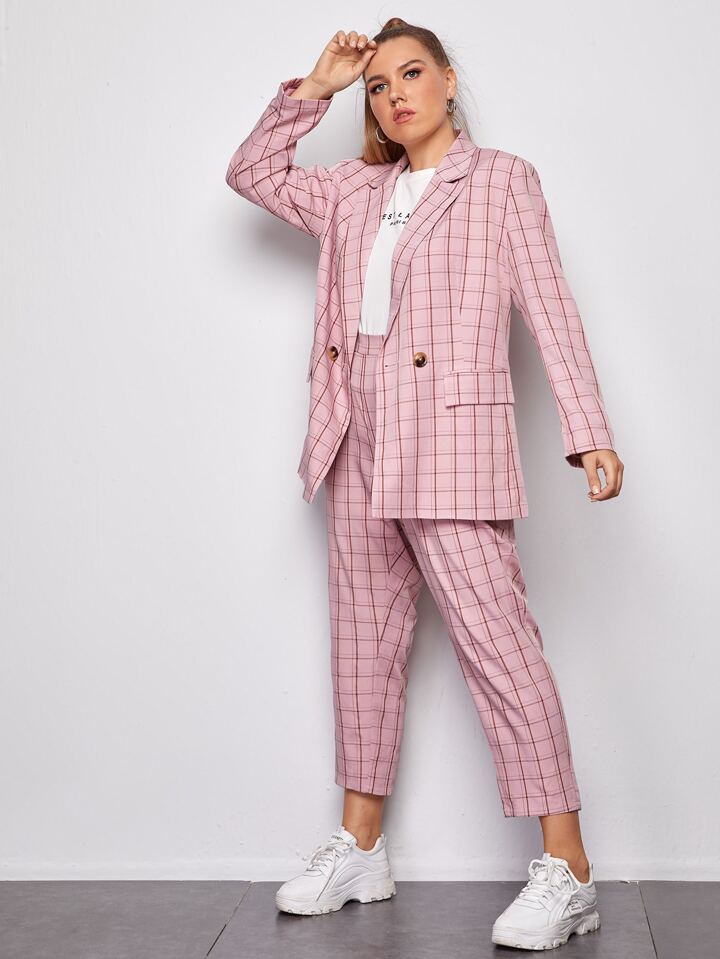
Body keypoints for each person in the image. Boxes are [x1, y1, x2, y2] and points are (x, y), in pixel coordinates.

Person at [225, 17, 623, 951]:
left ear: (448, 81)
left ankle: (569, 868)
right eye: (379, 85)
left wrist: (589, 431)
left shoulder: (502, 181)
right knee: (362, 649)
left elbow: (550, 306)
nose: (395, 94)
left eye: (411, 74)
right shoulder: (352, 190)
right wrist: (317, 87)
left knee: (501, 647)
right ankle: (361, 846)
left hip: (450, 440)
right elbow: (251, 173)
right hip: (353, 435)